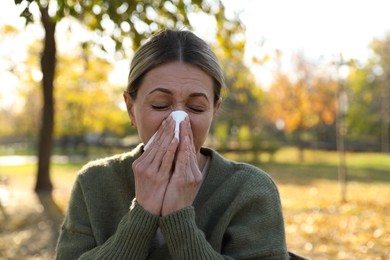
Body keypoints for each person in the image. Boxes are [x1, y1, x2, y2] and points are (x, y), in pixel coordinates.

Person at [56, 29, 289, 259]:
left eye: (196, 108)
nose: (178, 123)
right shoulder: (94, 183)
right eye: (160, 105)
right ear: (130, 108)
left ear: (214, 111)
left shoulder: (250, 190)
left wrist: (179, 220)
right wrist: (142, 214)